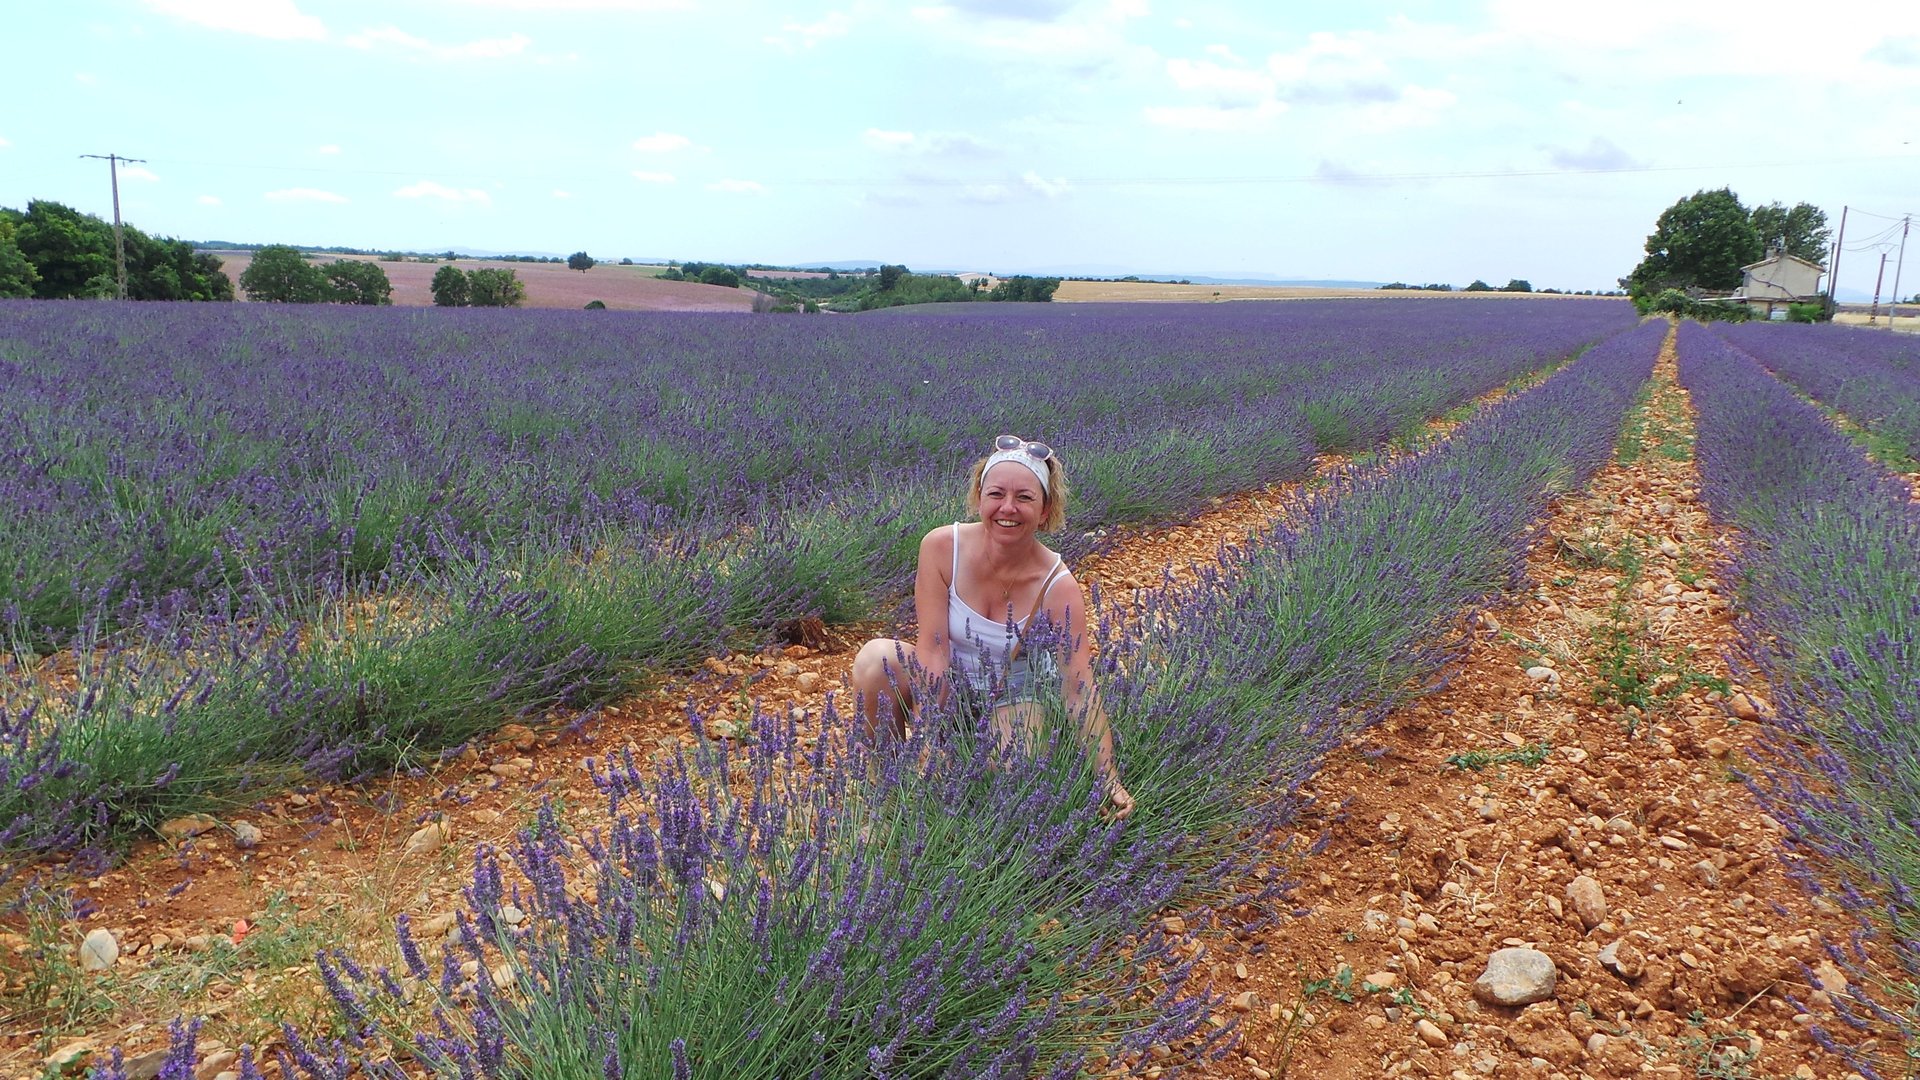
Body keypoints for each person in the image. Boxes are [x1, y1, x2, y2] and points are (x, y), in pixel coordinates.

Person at [850, 435, 1135, 820]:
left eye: (1025, 498)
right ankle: (884, 796)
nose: (1008, 508)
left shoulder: (1057, 585)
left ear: (1046, 509)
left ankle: (966, 794)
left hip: (1013, 698)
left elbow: (1077, 687)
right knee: (875, 660)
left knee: (1009, 772)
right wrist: (926, 732)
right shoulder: (940, 547)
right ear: (979, 498)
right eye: (996, 494)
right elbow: (933, 648)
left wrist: (1108, 778)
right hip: (949, 686)